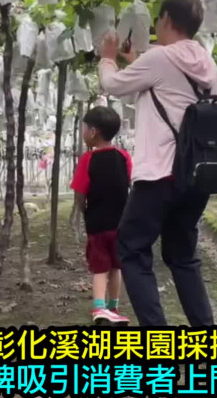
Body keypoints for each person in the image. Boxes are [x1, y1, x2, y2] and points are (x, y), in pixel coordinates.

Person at [98, 0, 217, 327]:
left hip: (159, 174)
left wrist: (108, 58)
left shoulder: (160, 59)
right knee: (182, 256)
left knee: (131, 249)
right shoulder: (207, 63)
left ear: (165, 18)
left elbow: (112, 85)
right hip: (195, 176)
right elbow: (169, 88)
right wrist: (136, 60)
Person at [70, 106, 132, 326]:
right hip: (120, 223)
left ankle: (99, 308)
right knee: (116, 266)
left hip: (97, 223)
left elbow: (80, 192)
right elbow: (130, 183)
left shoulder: (88, 159)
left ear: (93, 131)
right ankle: (113, 307)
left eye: (84, 128)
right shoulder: (124, 156)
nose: (83, 132)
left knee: (99, 267)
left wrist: (83, 208)